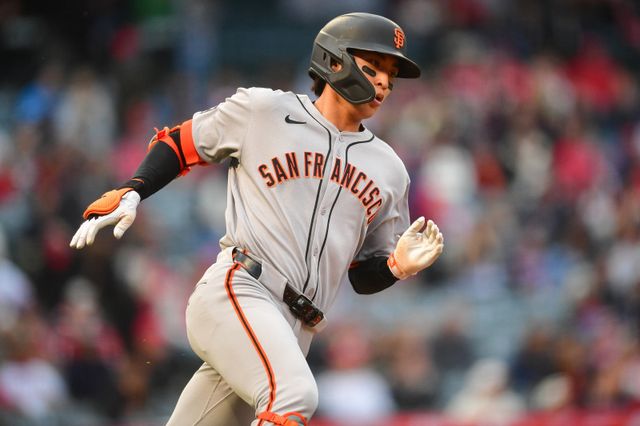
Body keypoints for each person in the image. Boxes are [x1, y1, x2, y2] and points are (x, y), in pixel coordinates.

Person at [70, 12, 444, 426]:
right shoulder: (263, 110)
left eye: (391, 75)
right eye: (374, 68)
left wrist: (396, 267)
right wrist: (134, 189)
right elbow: (182, 143)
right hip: (241, 290)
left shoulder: (390, 169)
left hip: (295, 331)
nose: (384, 83)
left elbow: (362, 275)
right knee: (294, 394)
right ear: (334, 60)